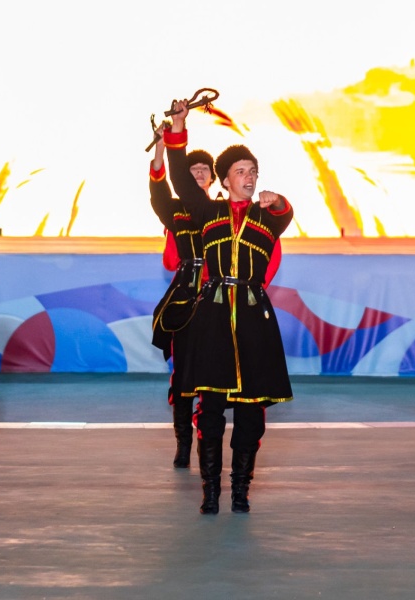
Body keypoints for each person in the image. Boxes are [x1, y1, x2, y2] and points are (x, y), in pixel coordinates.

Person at [164, 99, 293, 514]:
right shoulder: (208, 212)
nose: (250, 177)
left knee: (252, 413)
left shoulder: (267, 218)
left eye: (254, 171)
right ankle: (210, 492)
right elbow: (181, 179)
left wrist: (278, 199)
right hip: (214, 318)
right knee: (212, 410)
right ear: (225, 180)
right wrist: (179, 127)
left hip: (254, 318)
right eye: (241, 171)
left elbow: (286, 211)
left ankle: (240, 490)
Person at [150, 130, 215, 469]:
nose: (199, 172)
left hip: (218, 299)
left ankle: (207, 442)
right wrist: (160, 150)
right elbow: (158, 192)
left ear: (213, 177)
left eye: (204, 169)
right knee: (183, 375)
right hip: (185, 300)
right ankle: (183, 444)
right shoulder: (175, 211)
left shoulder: (220, 211)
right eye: (192, 169)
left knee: (212, 374)